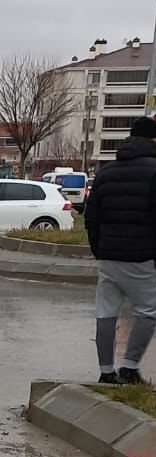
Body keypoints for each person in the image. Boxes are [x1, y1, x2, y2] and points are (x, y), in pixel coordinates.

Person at [84, 116, 156, 385]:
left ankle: (105, 371)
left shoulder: (106, 173)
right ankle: (129, 367)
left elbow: (91, 217)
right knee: (148, 312)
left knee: (106, 311)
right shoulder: (154, 170)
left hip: (109, 256)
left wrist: (99, 250)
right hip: (142, 256)